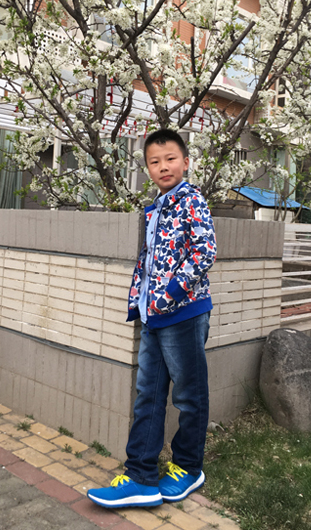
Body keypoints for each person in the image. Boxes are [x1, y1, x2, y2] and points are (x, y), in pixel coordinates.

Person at [87, 129, 217, 509]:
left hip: (184, 315)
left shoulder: (191, 200)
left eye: (170, 159)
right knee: (148, 396)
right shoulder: (156, 206)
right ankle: (141, 476)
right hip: (153, 318)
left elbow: (205, 250)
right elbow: (149, 260)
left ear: (186, 162)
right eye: (155, 162)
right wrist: (141, 301)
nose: (163, 167)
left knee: (189, 396)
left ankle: (189, 468)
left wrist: (170, 293)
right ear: (147, 168)